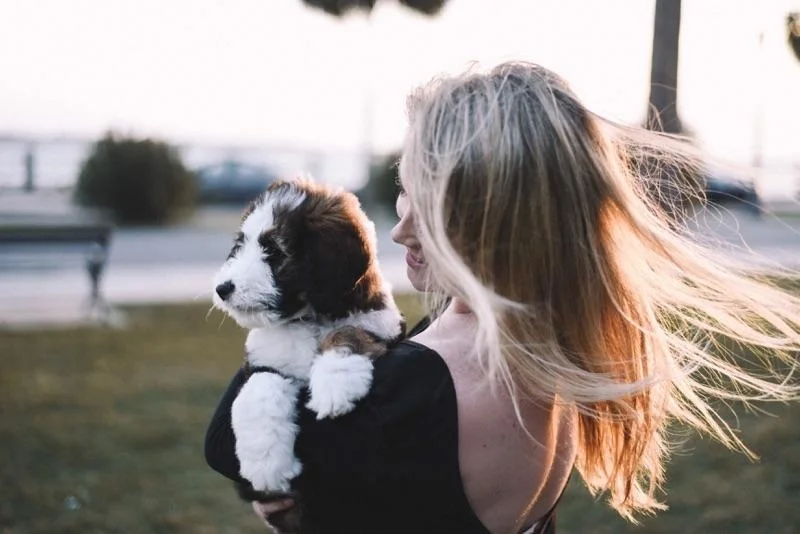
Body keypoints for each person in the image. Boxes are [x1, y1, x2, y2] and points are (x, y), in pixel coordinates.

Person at [206, 61, 800, 533]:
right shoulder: (558, 353)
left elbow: (227, 448)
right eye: (402, 193)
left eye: (421, 201)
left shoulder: (413, 391)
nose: (399, 228)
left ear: (483, 220)